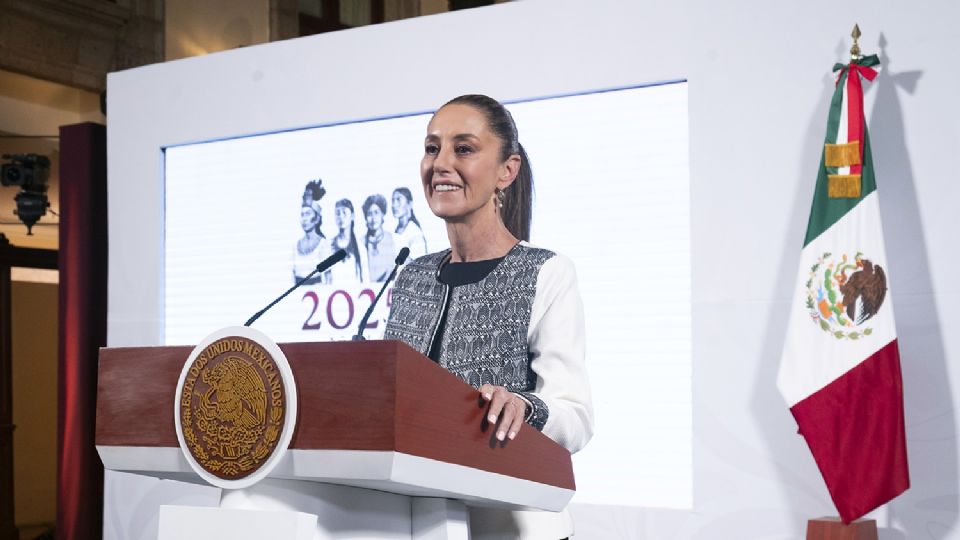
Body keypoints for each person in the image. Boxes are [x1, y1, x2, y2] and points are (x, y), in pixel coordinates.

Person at [384, 94, 593, 539]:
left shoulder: (545, 272)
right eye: (431, 148)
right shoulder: (412, 277)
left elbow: (574, 416)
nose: (440, 163)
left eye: (463, 149)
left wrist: (523, 407)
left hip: (513, 527)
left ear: (507, 171)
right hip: (420, 526)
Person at [292, 179, 332, 285]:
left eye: (308, 214)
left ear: (316, 218)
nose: (304, 219)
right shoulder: (295, 245)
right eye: (302, 214)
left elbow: (328, 278)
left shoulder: (324, 245)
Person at [362, 194, 398, 282]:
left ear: (382, 214)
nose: (373, 218)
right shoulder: (361, 242)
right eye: (369, 214)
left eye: (376, 213)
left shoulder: (393, 239)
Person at [329, 198, 364, 283]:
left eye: (344, 213)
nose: (341, 217)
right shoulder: (328, 245)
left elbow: (364, 279)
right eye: (338, 213)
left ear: (352, 216)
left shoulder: (360, 246)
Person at [391, 187, 427, 257]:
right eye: (393, 200)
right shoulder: (394, 230)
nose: (394, 205)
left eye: (398, 200)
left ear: (410, 203)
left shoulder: (415, 232)